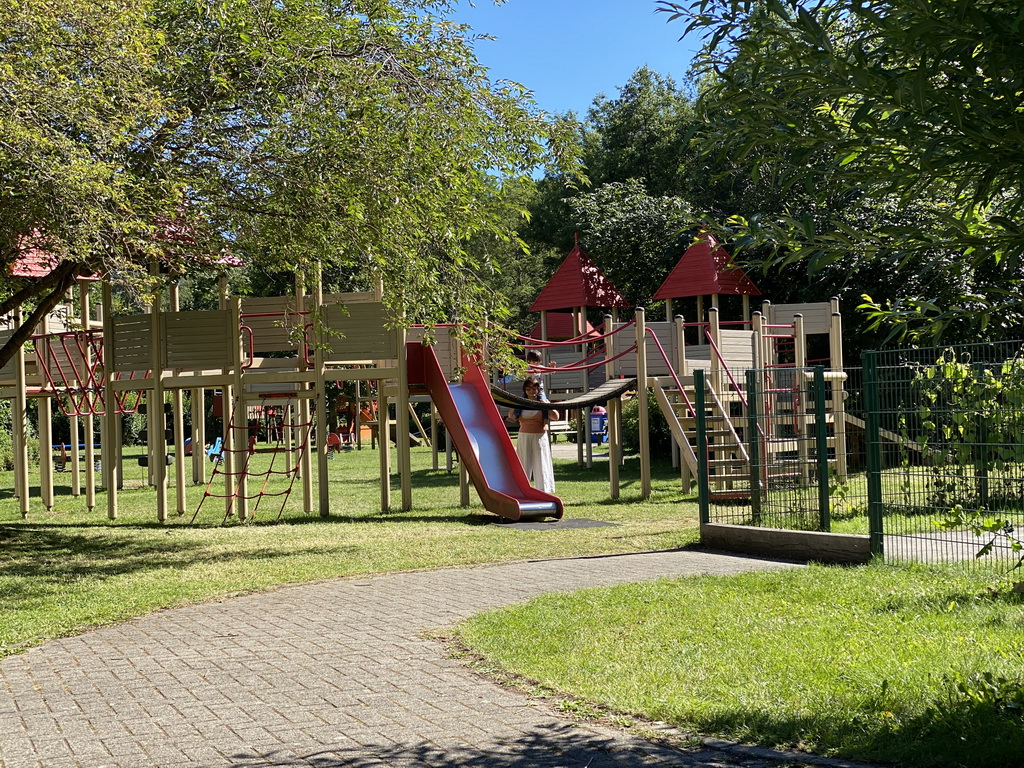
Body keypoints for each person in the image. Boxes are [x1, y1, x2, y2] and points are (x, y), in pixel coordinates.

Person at [506, 375, 559, 493]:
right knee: (523, 462)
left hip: (540, 437)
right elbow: (511, 415)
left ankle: (544, 490)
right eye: (528, 388)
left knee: (541, 463)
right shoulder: (521, 402)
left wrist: (546, 404)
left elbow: (555, 416)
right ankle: (522, 489)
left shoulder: (542, 401)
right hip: (524, 436)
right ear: (525, 390)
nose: (531, 391)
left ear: (538, 390)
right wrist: (514, 407)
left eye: (534, 388)